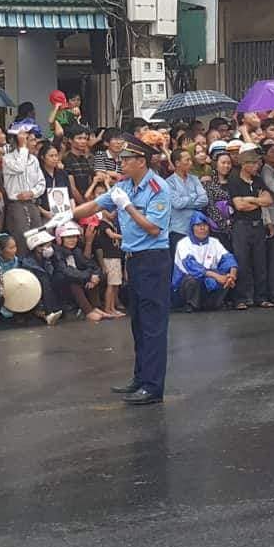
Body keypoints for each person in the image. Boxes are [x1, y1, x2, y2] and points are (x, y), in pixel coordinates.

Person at [67, 144, 172, 405]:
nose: (121, 163)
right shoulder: (123, 187)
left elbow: (153, 229)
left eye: (126, 159)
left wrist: (127, 208)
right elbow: (92, 206)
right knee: (138, 323)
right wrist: (63, 217)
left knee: (153, 327)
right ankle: (140, 377)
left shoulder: (158, 188)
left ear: (141, 161)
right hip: (134, 260)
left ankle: (153, 386)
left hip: (153, 259)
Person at [223, 147, 274, 309]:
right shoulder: (234, 180)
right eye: (254, 164)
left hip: (258, 224)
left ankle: (260, 297)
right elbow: (239, 205)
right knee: (242, 261)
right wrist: (256, 200)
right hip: (241, 226)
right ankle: (241, 298)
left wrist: (250, 200)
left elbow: (268, 201)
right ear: (245, 165)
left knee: (260, 262)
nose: (257, 167)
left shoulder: (258, 180)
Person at [171, 212, 236, 311]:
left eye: (205, 225)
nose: (202, 228)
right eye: (198, 225)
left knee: (226, 277)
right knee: (192, 280)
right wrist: (217, 276)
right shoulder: (183, 243)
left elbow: (228, 258)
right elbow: (191, 266)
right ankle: (191, 305)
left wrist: (232, 275)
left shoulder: (214, 242)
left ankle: (213, 304)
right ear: (192, 228)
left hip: (208, 280)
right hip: (186, 282)